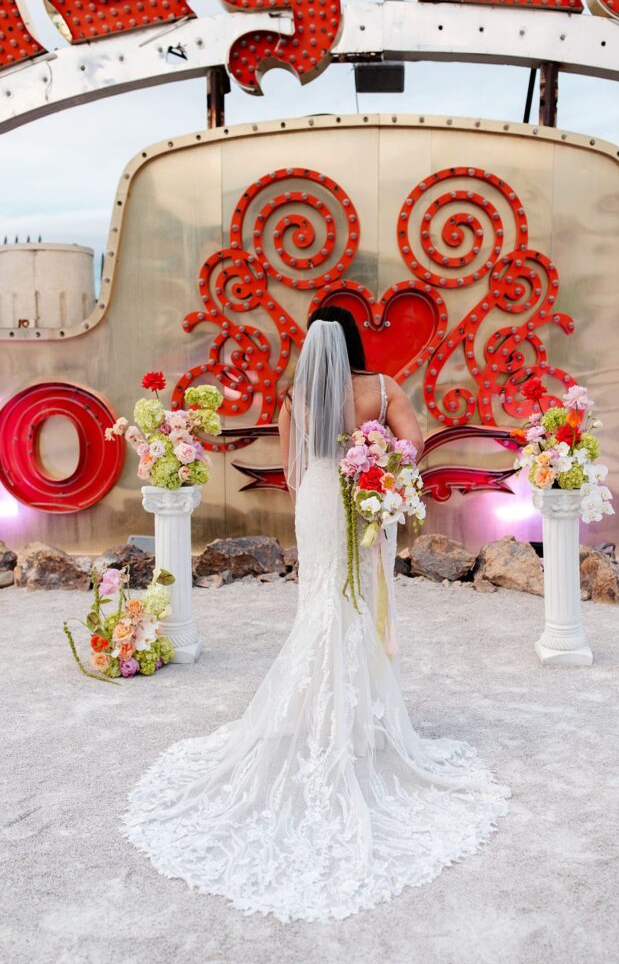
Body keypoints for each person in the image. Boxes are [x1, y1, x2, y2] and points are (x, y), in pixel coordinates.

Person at [122, 307, 511, 924]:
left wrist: (323, 489)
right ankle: (361, 722)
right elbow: (412, 448)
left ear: (312, 347)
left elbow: (294, 468)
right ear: (357, 341)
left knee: (322, 604)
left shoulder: (293, 395)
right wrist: (376, 461)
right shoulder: (381, 390)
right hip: (366, 498)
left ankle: (320, 716)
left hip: (321, 500)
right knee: (360, 605)